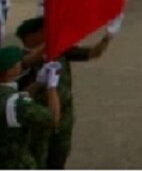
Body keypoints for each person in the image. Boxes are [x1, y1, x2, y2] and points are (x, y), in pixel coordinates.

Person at [15, 16, 111, 168]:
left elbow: (92, 53)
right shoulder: (17, 60)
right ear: (31, 36)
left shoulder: (59, 50)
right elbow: (22, 74)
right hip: (38, 118)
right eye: (44, 30)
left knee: (60, 156)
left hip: (64, 114)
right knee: (38, 160)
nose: (49, 33)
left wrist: (108, 37)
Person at [0, 45, 60, 169]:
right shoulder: (17, 102)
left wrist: (38, 83)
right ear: (10, 71)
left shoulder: (9, 96)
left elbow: (15, 98)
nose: (21, 64)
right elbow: (52, 118)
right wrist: (51, 87)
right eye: (18, 63)